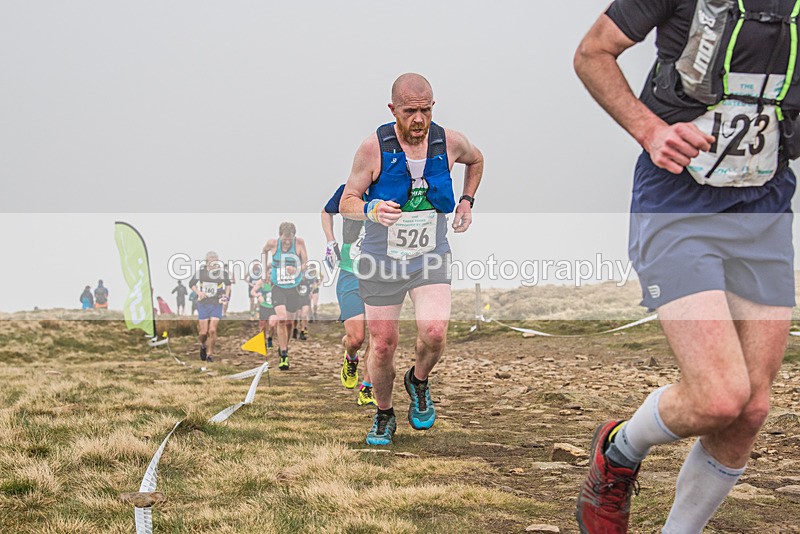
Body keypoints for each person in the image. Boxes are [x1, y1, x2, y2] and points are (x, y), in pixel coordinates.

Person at [574, 3, 797, 533]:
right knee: (718, 397)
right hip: (676, 202)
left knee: (751, 410)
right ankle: (619, 450)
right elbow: (592, 53)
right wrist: (649, 130)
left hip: (764, 205)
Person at [340, 73, 484, 445]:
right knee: (383, 343)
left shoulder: (449, 141)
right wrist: (371, 209)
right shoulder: (373, 148)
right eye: (410, 112)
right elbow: (347, 202)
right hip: (380, 259)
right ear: (393, 110)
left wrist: (467, 200)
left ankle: (418, 381)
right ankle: (384, 414)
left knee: (435, 332)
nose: (419, 119)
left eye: (425, 110)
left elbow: (477, 159)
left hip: (429, 255)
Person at [323, 183, 376, 406]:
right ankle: (350, 357)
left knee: (379, 337)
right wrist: (330, 241)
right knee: (356, 338)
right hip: (349, 273)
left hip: (380, 277)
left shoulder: (391, 189)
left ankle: (367, 388)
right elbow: (326, 212)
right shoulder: (348, 190)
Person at [263, 222, 308, 370]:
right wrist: (265, 273)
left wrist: (296, 269)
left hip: (294, 287)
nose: (287, 242)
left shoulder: (300, 243)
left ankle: (284, 346)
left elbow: (305, 264)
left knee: (289, 322)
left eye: (290, 239)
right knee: (281, 319)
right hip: (277, 286)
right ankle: (284, 354)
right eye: (285, 239)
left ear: (294, 236)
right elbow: (264, 252)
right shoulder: (272, 243)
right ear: (280, 236)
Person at [189, 252, 232, 363]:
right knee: (203, 332)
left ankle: (210, 355)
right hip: (203, 304)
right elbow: (191, 284)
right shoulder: (200, 273)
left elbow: (228, 285)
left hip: (216, 304)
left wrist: (226, 296)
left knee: (212, 330)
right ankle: (203, 345)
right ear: (207, 261)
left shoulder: (222, 273)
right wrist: (199, 292)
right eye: (211, 260)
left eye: (215, 260)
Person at [251, 266, 278, 349]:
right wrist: (258, 295)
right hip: (264, 306)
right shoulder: (261, 282)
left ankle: (270, 338)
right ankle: (262, 342)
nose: (270, 276)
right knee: (262, 326)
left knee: (272, 325)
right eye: (269, 273)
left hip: (274, 307)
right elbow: (252, 291)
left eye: (272, 274)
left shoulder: (277, 282)